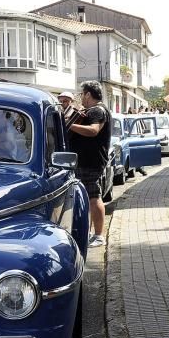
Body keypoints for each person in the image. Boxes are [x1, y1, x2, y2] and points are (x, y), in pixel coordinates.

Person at [67, 81, 112, 248]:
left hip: (90, 161)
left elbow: (93, 130)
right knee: (87, 198)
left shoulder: (97, 111)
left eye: (82, 94)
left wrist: (69, 124)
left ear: (88, 94)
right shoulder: (91, 111)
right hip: (85, 161)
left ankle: (99, 235)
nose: (81, 98)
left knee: (93, 197)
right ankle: (89, 233)